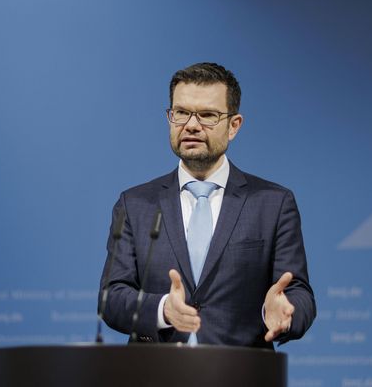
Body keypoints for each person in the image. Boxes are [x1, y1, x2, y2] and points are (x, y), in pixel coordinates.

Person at [99, 62, 315, 348]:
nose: (191, 125)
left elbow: (299, 293)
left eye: (207, 115)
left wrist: (284, 313)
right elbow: (112, 297)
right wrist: (162, 309)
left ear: (234, 126)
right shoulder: (135, 204)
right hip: (155, 369)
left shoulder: (273, 203)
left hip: (240, 369)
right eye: (181, 113)